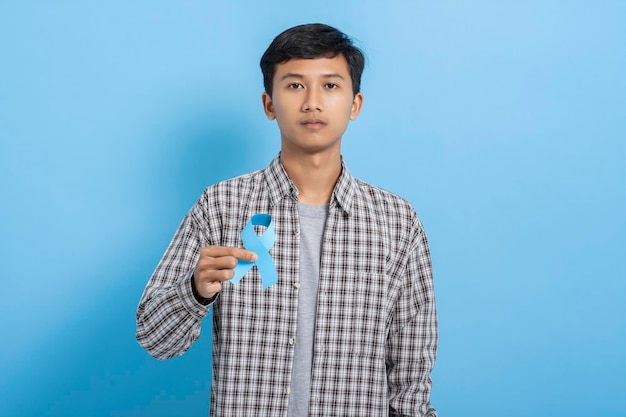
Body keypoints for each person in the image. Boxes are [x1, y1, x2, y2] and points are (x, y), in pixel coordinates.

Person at [136, 23, 438, 417]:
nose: (312, 102)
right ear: (269, 103)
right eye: (295, 85)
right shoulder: (221, 207)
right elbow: (156, 340)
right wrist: (194, 290)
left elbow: (412, 376)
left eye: (330, 86)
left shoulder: (398, 223)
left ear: (355, 104)